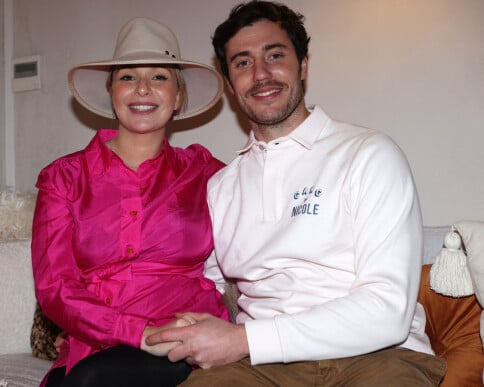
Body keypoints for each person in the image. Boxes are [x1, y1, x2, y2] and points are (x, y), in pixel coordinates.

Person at [145, 1, 447, 385]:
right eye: (242, 63)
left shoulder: (369, 153)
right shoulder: (221, 187)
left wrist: (243, 338)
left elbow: (387, 311)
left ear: (303, 65)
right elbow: (212, 288)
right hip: (260, 368)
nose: (260, 74)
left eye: (275, 55)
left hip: (379, 358)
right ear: (229, 83)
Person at [31, 17, 230, 387]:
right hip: (95, 340)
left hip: (186, 335)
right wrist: (139, 334)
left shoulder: (206, 172)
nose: (142, 89)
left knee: (92, 380)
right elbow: (54, 287)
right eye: (127, 77)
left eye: (159, 77)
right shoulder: (63, 177)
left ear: (178, 96)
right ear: (112, 92)